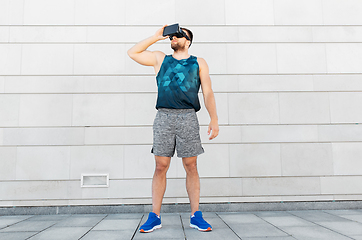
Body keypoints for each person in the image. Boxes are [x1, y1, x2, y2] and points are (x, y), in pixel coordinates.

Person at [127, 24, 219, 233]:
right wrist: (156, 36)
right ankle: (155, 216)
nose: (174, 38)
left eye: (179, 36)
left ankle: (196, 216)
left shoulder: (198, 62)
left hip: (188, 117)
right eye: (172, 36)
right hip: (164, 117)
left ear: (188, 41)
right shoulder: (161, 59)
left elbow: (208, 92)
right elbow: (133, 52)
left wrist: (214, 118)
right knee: (160, 166)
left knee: (191, 165)